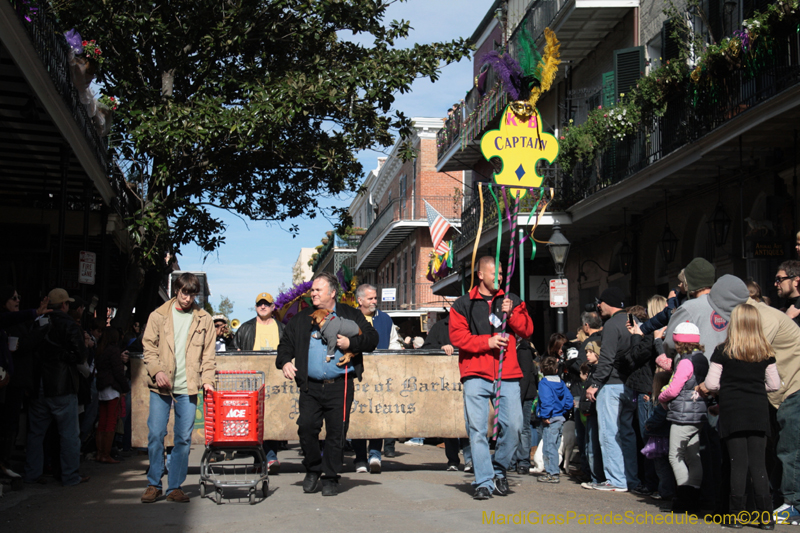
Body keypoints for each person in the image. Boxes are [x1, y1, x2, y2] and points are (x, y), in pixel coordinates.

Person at [276, 272, 378, 496]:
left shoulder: (351, 314)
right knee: (306, 429)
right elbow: (285, 345)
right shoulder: (302, 318)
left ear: (332, 292)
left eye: (318, 290)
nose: (313, 293)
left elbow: (372, 339)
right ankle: (313, 469)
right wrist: (284, 362)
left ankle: (331, 476)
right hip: (310, 386)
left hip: (339, 385)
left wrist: (351, 342)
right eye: (312, 290)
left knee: (336, 433)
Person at [449, 256, 534, 500]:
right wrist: (486, 342)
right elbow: (457, 337)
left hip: (506, 372)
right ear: (481, 275)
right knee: (476, 429)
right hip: (475, 372)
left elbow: (527, 330)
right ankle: (483, 481)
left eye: (500, 273)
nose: (498, 277)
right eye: (493, 273)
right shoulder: (463, 304)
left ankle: (499, 469)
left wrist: (513, 315)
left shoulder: (511, 300)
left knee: (515, 426)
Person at [140, 273, 216, 503]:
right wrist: (157, 370)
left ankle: (175, 486)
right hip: (161, 386)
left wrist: (208, 381)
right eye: (184, 292)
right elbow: (148, 348)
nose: (187, 298)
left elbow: (209, 356)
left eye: (192, 294)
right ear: (176, 290)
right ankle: (154, 484)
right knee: (156, 434)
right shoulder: (158, 315)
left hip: (189, 387)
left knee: (183, 438)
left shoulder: (205, 319)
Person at [705, 304, 780, 529]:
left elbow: (711, 384)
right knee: (759, 465)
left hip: (733, 412)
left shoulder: (723, 351)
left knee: (737, 464)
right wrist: (755, 388)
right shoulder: (765, 352)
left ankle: (735, 515)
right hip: (757, 412)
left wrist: (729, 388)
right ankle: (766, 517)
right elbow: (774, 385)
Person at [745, 288, 800, 525]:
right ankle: (782, 499)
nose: (776, 284)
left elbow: (753, 354)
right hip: (779, 392)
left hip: (792, 388)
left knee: (790, 450)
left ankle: (794, 505)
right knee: (779, 449)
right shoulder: (758, 315)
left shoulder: (764, 317)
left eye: (780, 279)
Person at [24, 288, 89, 486]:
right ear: (64, 305)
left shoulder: (36, 322)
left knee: (36, 433)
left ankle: (32, 473)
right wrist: (66, 356)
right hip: (61, 384)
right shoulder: (68, 324)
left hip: (39, 382)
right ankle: (70, 475)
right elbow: (80, 355)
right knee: (69, 434)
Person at [585, 286, 638, 492]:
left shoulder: (611, 325)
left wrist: (595, 384)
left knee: (609, 432)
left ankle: (616, 479)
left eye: (601, 303)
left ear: (608, 303)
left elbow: (606, 359)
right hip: (629, 385)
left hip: (611, 385)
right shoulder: (632, 322)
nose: (598, 306)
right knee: (626, 433)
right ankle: (631, 479)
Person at [657, 321, 708, 515]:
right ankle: (694, 493)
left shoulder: (685, 362)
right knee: (693, 455)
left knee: (675, 455)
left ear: (679, 342)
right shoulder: (701, 359)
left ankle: (684, 496)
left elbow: (674, 388)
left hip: (683, 415)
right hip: (698, 413)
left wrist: (662, 397)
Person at [233, 292, 285, 473]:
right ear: (256, 307)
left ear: (273, 307)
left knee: (272, 419)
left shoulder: (282, 328)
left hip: (276, 382)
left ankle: (270, 457)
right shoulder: (245, 328)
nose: (263, 307)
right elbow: (234, 352)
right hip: (252, 382)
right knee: (254, 419)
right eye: (259, 304)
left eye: (266, 304)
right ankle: (258, 457)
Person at [352, 283, 401, 473]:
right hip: (357, 375)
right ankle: (359, 459)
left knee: (377, 416)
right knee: (358, 416)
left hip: (381, 378)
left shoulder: (386, 319)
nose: (374, 301)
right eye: (371, 298)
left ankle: (375, 454)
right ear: (360, 300)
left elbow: (393, 344)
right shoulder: (350, 318)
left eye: (375, 298)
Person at [423, 311, 472, 472]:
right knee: (450, 423)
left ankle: (470, 459)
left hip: (467, 379)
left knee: (468, 421)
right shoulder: (440, 327)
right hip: (445, 383)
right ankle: (452, 460)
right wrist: (440, 347)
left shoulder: (470, 326)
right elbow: (427, 348)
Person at [94, 327, 129, 464]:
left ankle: (100, 453)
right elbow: (118, 372)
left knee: (102, 420)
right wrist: (125, 387)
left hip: (102, 387)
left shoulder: (100, 349)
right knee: (111, 421)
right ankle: (105, 454)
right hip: (113, 388)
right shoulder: (113, 350)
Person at [536, 356, 573, 484]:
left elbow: (547, 401)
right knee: (555, 446)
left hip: (550, 419)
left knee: (548, 446)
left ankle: (552, 473)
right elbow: (569, 400)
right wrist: (563, 411)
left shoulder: (544, 383)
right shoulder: (561, 382)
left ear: (541, 369)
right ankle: (553, 470)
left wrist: (545, 415)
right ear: (556, 370)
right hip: (560, 418)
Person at [774, 260, 800, 326]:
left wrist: (788, 319)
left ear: (796, 281)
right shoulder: (787, 306)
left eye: (779, 279)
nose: (775, 284)